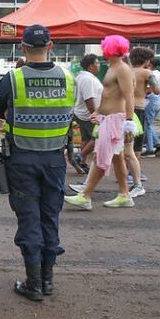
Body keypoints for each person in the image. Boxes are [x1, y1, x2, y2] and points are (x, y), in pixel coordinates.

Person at [0, 25, 75, 302]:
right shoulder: (68, 77)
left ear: (23, 48)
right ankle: (48, 280)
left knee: (29, 219)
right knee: (50, 217)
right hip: (55, 158)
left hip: (23, 158)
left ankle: (34, 283)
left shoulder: (13, 79)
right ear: (50, 46)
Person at [65, 35, 136, 211]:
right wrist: (98, 112)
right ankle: (124, 194)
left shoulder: (121, 69)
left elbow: (129, 96)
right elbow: (109, 95)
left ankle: (86, 195)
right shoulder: (115, 68)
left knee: (100, 157)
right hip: (109, 119)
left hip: (115, 120)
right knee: (116, 157)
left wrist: (128, 121)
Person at [126, 47, 156, 197]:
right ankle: (133, 174)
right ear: (146, 60)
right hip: (139, 109)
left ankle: (128, 172)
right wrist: (147, 89)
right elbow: (157, 90)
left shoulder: (126, 71)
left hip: (125, 108)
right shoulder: (147, 73)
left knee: (126, 143)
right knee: (136, 145)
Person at [73, 54, 103, 172]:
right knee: (97, 137)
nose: (99, 65)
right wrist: (95, 114)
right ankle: (79, 157)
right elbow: (88, 98)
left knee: (86, 139)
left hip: (84, 113)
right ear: (91, 66)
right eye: (97, 63)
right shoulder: (88, 79)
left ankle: (82, 163)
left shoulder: (84, 77)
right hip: (88, 114)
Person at [142, 58, 160, 157]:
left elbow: (150, 88)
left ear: (150, 63)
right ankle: (156, 142)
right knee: (148, 124)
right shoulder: (159, 73)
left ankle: (150, 149)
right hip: (159, 99)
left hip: (152, 99)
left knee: (147, 124)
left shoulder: (151, 74)